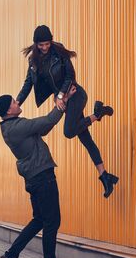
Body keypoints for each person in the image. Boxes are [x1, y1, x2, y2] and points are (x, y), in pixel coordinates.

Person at [17, 25, 119, 198]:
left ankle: (98, 113)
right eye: (41, 45)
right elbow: (28, 84)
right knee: (86, 139)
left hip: (75, 95)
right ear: (35, 44)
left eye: (47, 43)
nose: (45, 47)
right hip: (65, 100)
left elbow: (70, 75)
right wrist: (18, 102)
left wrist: (60, 95)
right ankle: (105, 175)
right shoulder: (33, 61)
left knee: (69, 131)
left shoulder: (58, 52)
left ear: (51, 41)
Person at [0, 86, 77, 258]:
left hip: (35, 178)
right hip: (42, 177)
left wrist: (60, 107)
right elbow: (47, 121)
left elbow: (45, 127)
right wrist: (61, 103)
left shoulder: (12, 127)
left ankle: (9, 257)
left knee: (40, 219)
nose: (17, 102)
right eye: (13, 102)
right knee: (52, 221)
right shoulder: (17, 127)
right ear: (8, 110)